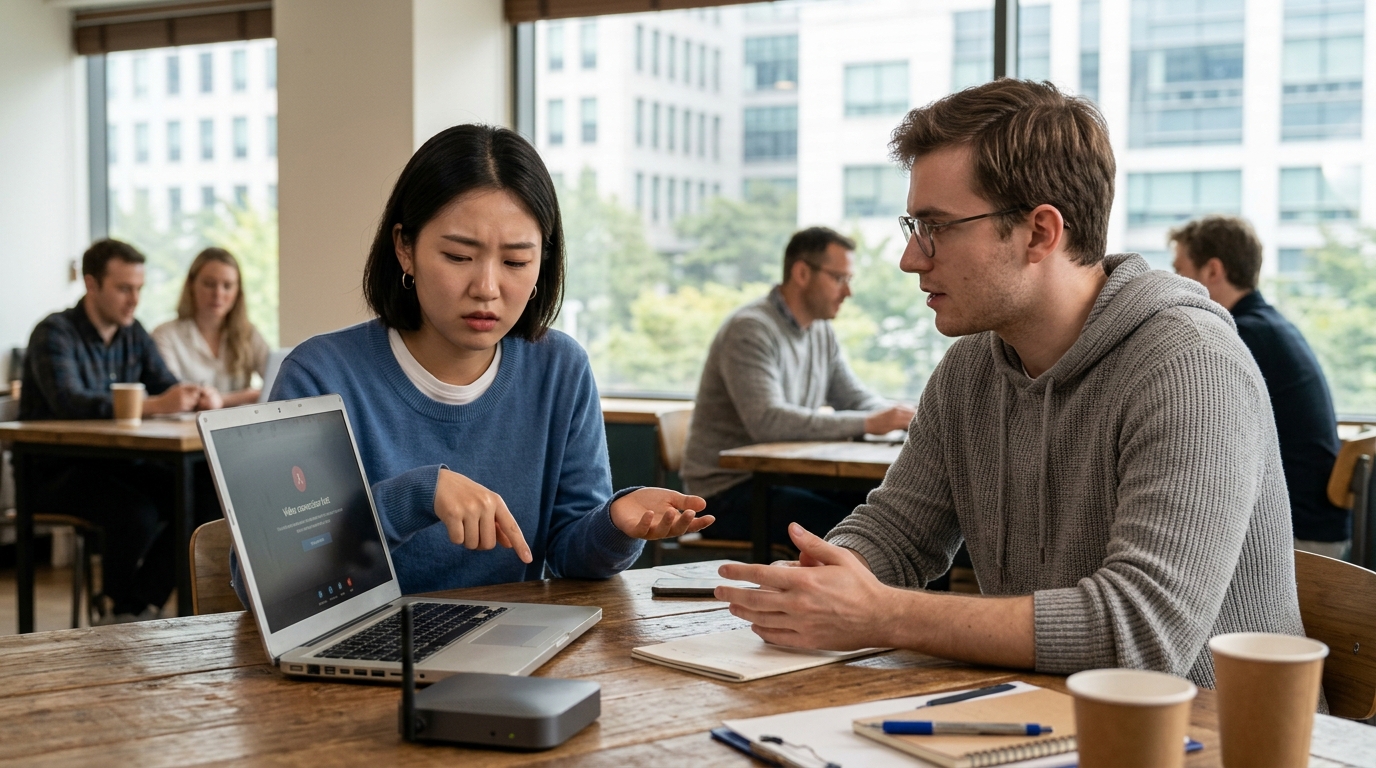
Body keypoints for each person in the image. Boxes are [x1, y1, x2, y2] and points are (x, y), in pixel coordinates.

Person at [714, 79, 1306, 690]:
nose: (911, 258)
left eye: (936, 227)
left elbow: (1142, 635)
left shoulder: (1191, 365)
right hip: (1037, 712)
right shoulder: (973, 366)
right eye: (913, 225)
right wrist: (819, 584)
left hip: (1207, 737)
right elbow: (898, 531)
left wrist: (881, 614)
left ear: (1040, 233)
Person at [232, 124, 712, 603]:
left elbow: (568, 554)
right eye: (459, 256)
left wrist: (616, 523)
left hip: (511, 651)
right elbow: (270, 579)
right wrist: (418, 496)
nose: (487, 287)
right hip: (365, 655)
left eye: (516, 262)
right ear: (405, 248)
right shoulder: (320, 374)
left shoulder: (559, 369)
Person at [681, 227, 916, 545]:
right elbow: (768, 422)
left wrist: (907, 417)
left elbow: (853, 396)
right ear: (802, 272)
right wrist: (871, 422)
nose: (848, 292)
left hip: (781, 479)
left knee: (896, 514)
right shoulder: (750, 330)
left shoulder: (820, 332)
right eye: (839, 279)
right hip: (724, 494)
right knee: (862, 531)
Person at [19, 239, 208, 622]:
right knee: (135, 514)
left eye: (138, 289)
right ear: (91, 284)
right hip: (53, 471)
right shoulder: (53, 333)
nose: (134, 300)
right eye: (124, 289)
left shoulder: (132, 333)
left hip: (116, 465)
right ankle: (120, 610)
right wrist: (156, 404)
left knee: (203, 491)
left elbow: (165, 385)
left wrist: (193, 396)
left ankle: (137, 606)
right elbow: (70, 403)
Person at [1171, 216, 1349, 559]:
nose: (1175, 283)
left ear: (1212, 271)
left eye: (1179, 270)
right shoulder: (1269, 325)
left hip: (1298, 538)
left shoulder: (1242, 337)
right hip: (1317, 523)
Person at [153, 247, 270, 408]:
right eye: (209, 284)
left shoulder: (249, 334)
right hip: (185, 430)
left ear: (238, 292)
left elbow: (277, 383)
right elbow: (177, 397)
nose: (218, 294)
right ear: (191, 285)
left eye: (227, 286)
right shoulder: (165, 335)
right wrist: (246, 396)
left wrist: (222, 400)